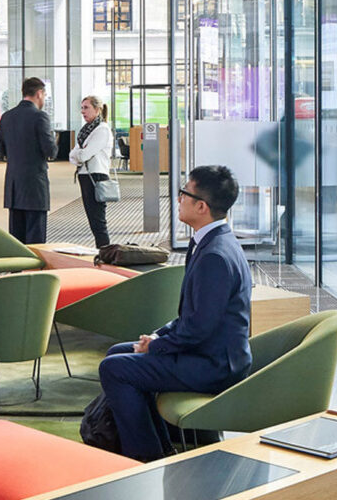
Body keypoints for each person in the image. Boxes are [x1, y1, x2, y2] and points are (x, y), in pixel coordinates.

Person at [97, 165, 252, 462]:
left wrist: (156, 346)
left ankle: (146, 457)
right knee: (119, 352)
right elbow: (192, 319)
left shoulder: (215, 256)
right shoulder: (212, 242)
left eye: (184, 193)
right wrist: (156, 337)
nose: (178, 198)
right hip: (208, 353)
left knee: (113, 369)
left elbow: (198, 328)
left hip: (214, 365)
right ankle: (160, 444)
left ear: (201, 206)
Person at [0, 77, 56, 244]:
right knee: (36, 241)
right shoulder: (40, 117)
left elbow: (1, 153)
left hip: (14, 189)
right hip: (34, 188)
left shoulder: (6, 117)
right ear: (39, 93)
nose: (44, 99)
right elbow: (50, 151)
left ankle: (17, 269)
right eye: (44, 95)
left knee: (17, 242)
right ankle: (34, 270)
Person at [69, 95, 114, 247]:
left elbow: (83, 155)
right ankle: (102, 250)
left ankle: (105, 252)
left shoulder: (102, 130)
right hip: (85, 176)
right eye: (81, 108)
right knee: (93, 220)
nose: (83, 111)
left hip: (96, 177)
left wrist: (79, 154)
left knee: (98, 221)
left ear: (98, 109)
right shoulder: (86, 130)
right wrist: (79, 154)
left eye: (86, 107)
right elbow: (72, 156)